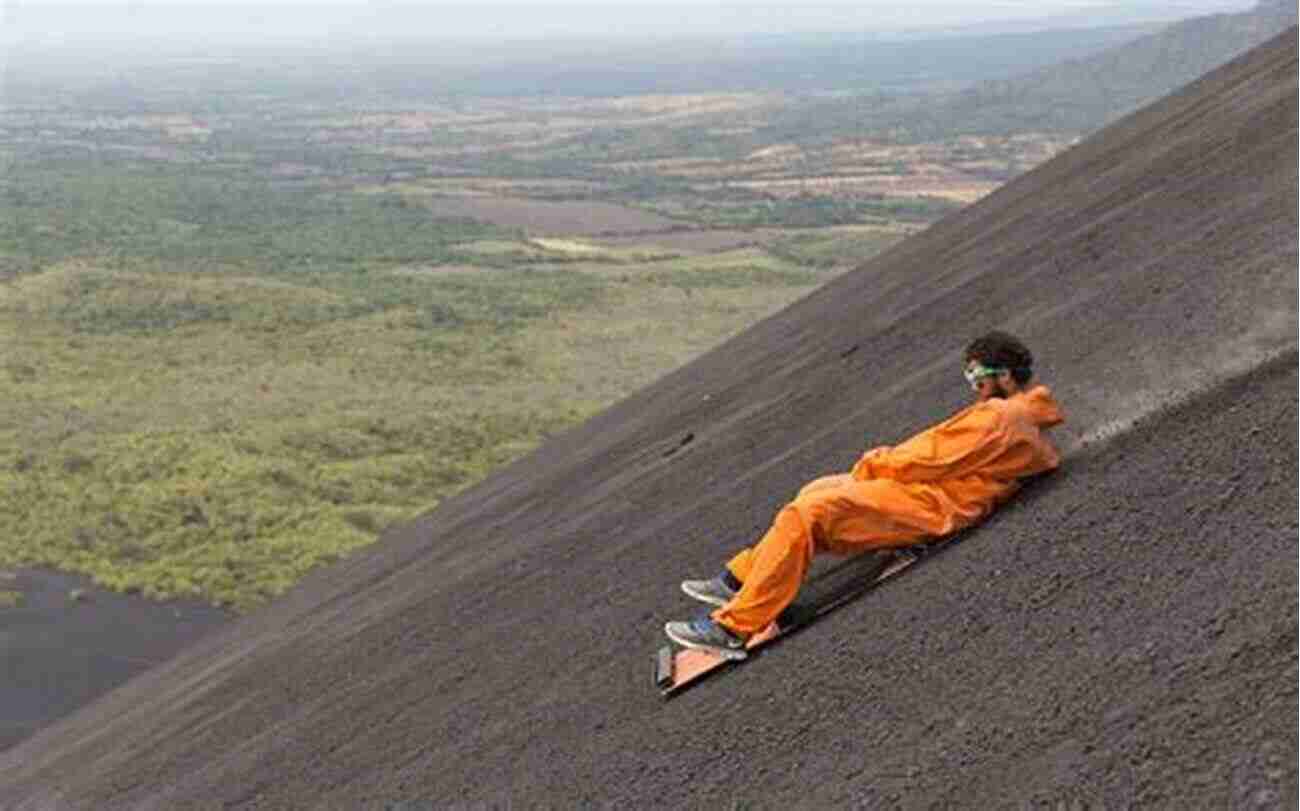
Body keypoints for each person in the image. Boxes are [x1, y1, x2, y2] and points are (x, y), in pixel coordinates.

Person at [665, 330, 1065, 658]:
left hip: (935, 506)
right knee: (817, 489)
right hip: (940, 492)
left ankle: (732, 628)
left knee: (809, 513)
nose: (976, 389)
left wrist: (872, 464)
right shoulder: (1023, 414)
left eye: (979, 380)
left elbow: (926, 458)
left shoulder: (1000, 417)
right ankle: (745, 578)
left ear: (1005, 376)